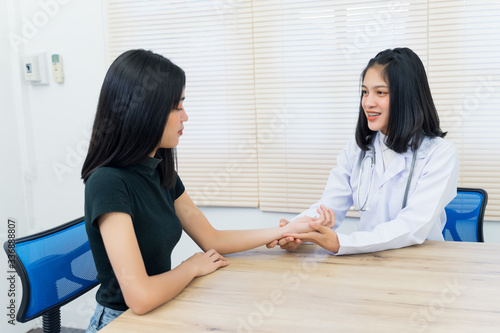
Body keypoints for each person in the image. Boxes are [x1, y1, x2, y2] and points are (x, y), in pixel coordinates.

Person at [81, 49, 332, 332]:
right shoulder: (108, 183)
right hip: (122, 322)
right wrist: (191, 268)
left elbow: (212, 238)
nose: (185, 117)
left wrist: (287, 230)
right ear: (144, 111)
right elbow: (140, 297)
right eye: (176, 107)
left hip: (160, 310)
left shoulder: (159, 169)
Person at [267, 47, 459, 255]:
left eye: (380, 92)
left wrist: (341, 243)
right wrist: (295, 231)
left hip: (422, 262)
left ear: (407, 96)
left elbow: (413, 225)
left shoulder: (440, 154)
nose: (368, 102)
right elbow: (329, 207)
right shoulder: (357, 148)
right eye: (365, 91)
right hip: (368, 260)